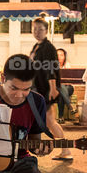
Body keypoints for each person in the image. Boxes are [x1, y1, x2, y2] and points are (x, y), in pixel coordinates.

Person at [30, 18, 72, 160]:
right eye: (35, 28)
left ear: (46, 31)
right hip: (40, 90)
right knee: (49, 122)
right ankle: (64, 150)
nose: (37, 32)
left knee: (50, 121)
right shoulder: (37, 46)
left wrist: (53, 89)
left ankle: (66, 150)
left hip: (47, 90)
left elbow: (51, 69)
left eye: (40, 29)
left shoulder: (48, 47)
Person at [55, 48, 75, 122]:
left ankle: (61, 117)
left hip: (69, 87)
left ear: (64, 56)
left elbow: (69, 80)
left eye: (61, 55)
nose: (59, 57)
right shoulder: (52, 66)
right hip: (58, 89)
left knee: (62, 87)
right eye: (57, 55)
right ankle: (70, 107)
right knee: (60, 94)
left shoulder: (67, 65)